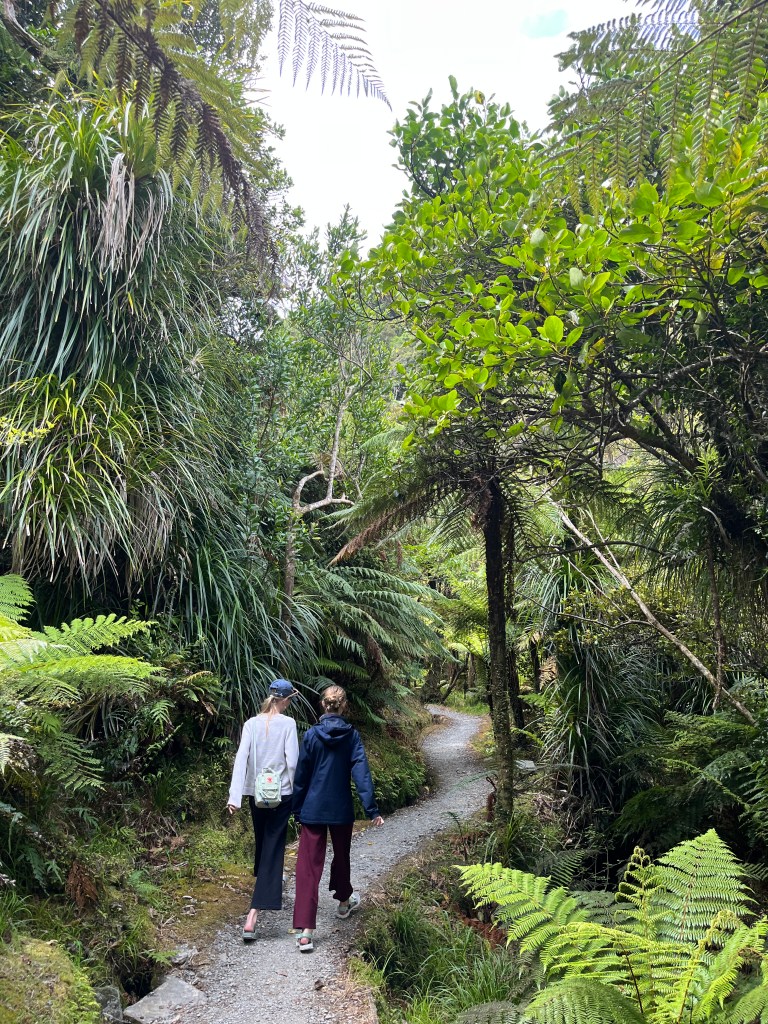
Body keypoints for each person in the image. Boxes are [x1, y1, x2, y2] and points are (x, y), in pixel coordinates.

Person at [291, 685, 384, 952]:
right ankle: (344, 902)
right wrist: (372, 809)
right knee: (342, 856)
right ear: (343, 706)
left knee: (308, 867)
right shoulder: (351, 736)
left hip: (313, 808)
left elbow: (301, 775)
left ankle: (305, 932)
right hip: (341, 809)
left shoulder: (311, 735)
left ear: (323, 704)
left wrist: (297, 808)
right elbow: (361, 773)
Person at [227, 678, 299, 942]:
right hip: (281, 795)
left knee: (263, 842)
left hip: (256, 795)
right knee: (273, 847)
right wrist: (298, 793)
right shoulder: (288, 724)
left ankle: (266, 879)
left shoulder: (251, 724)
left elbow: (241, 759)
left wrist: (234, 796)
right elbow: (292, 762)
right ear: (285, 700)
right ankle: (254, 913)